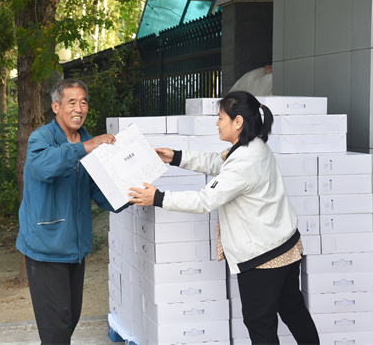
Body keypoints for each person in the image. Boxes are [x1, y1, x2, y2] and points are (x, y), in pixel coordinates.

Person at [129, 91, 319, 345]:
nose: (217, 123)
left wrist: (158, 197)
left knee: (260, 324)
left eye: (220, 118)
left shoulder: (244, 161)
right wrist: (176, 157)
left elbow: (205, 201)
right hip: (285, 246)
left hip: (263, 258)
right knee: (293, 310)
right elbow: (219, 163)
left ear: (238, 122)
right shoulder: (253, 147)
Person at [16, 78, 125, 344]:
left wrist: (134, 193)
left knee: (70, 318)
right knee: (57, 328)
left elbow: (100, 192)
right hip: (46, 246)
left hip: (75, 248)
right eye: (72, 102)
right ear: (56, 106)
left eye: (84, 102)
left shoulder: (88, 140)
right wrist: (85, 148)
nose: (79, 108)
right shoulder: (42, 138)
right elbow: (43, 167)